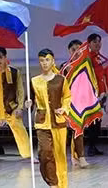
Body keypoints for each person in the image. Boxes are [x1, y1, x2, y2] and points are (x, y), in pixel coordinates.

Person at [27, 49, 71, 188]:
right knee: (45, 153)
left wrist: (64, 108)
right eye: (42, 60)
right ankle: (53, 182)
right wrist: (28, 103)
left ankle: (61, 184)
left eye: (47, 60)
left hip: (58, 121)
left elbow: (67, 97)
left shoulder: (61, 80)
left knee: (59, 155)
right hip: (42, 122)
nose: (44, 63)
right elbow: (31, 100)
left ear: (53, 61)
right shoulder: (34, 81)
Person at [0, 47, 31, 159]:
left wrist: (20, 107)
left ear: (5, 57)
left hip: (11, 107)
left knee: (20, 129)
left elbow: (20, 91)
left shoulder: (14, 72)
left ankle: (27, 155)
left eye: (1, 57)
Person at [60, 39, 88, 168]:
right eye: (73, 50)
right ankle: (68, 157)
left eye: (79, 50)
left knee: (78, 131)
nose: (76, 53)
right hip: (66, 104)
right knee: (64, 132)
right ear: (69, 51)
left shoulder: (86, 67)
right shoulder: (64, 68)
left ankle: (80, 157)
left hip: (80, 103)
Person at [85, 33, 108, 156]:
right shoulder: (86, 57)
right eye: (94, 42)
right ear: (89, 43)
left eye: (99, 42)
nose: (97, 44)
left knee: (98, 120)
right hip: (90, 93)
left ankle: (93, 145)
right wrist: (102, 66)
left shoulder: (101, 58)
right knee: (91, 121)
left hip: (101, 93)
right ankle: (90, 146)